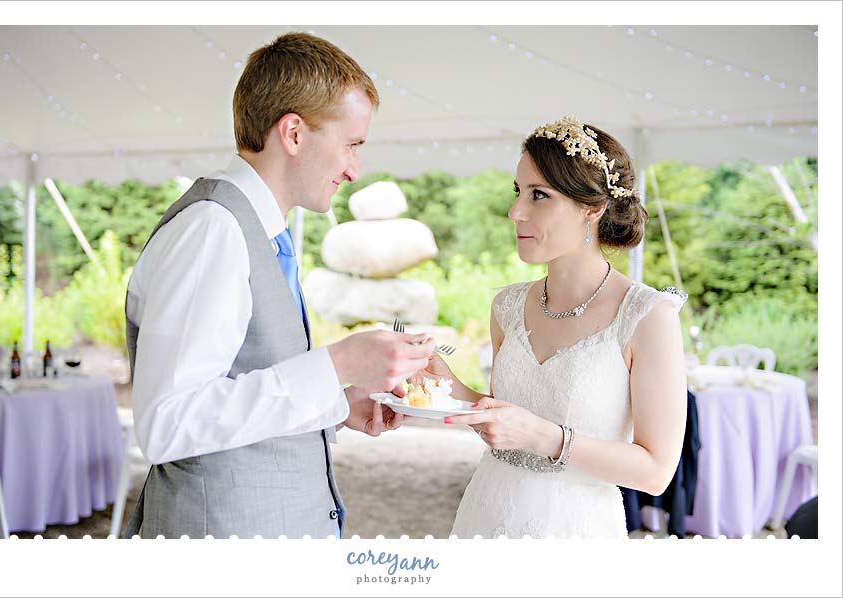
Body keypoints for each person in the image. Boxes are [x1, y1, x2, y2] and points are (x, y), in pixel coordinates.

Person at [123, 32, 435, 539]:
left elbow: (241, 384)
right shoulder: (213, 230)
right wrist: (337, 364)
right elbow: (169, 422)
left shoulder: (256, 230)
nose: (355, 170)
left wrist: (338, 401)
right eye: (352, 144)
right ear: (293, 133)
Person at [414, 116, 688, 538]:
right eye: (518, 192)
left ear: (592, 210)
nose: (515, 211)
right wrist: (444, 385)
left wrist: (545, 437)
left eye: (538, 195)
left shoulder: (647, 316)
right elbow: (505, 419)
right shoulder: (507, 305)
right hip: (486, 512)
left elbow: (655, 472)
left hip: (574, 530)